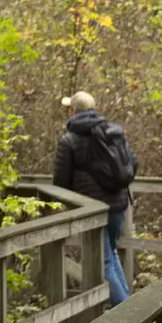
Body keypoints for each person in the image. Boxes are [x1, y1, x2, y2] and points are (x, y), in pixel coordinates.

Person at [53, 91, 137, 305]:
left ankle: (126, 316)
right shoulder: (112, 132)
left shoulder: (69, 140)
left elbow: (60, 183)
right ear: (94, 110)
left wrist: (63, 207)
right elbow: (132, 163)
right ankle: (129, 306)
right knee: (111, 256)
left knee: (104, 261)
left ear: (73, 111)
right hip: (119, 205)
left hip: (92, 210)